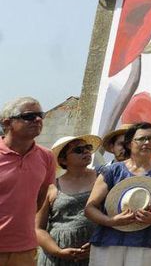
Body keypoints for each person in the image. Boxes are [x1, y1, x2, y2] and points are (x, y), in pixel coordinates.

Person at [84, 122, 151, 265]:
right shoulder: (111, 171)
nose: (146, 142)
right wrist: (111, 221)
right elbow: (90, 208)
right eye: (141, 139)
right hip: (108, 240)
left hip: (145, 242)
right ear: (129, 143)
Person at [0, 97, 55, 266]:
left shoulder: (47, 157)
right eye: (29, 116)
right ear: (8, 123)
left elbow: (40, 198)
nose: (38, 120)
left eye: (40, 115)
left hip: (25, 248)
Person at [36, 135, 99, 266]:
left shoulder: (102, 179)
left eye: (88, 147)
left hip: (95, 253)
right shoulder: (51, 187)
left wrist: (99, 241)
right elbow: (38, 228)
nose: (86, 152)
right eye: (78, 150)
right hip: (56, 258)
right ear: (63, 160)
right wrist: (58, 251)